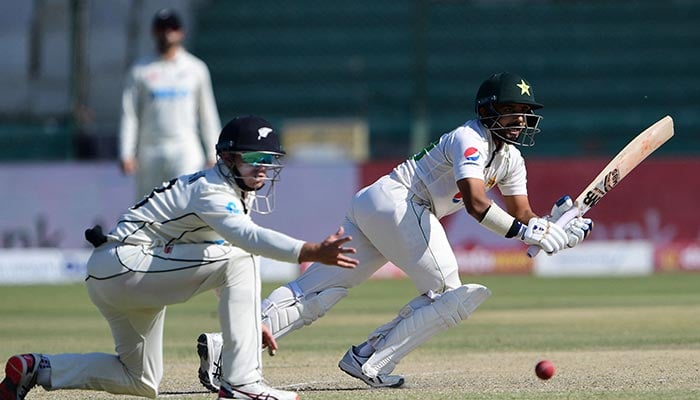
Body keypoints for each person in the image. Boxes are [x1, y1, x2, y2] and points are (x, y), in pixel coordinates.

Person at [195, 72, 594, 392]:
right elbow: (475, 204)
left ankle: (223, 347)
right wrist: (530, 233)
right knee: (453, 296)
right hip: (402, 202)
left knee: (316, 293)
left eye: (525, 112)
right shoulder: (468, 137)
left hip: (376, 203)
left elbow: (522, 214)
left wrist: (556, 230)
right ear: (487, 111)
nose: (520, 120)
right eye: (511, 110)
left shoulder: (511, 159)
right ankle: (370, 358)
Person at [0, 116, 358, 400]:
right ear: (228, 158)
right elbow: (244, 240)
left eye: (269, 160)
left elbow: (218, 261)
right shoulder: (212, 190)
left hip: (122, 274)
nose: (263, 168)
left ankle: (38, 369)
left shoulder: (231, 191)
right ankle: (243, 384)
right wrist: (310, 250)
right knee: (243, 256)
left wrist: (249, 321)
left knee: (140, 379)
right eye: (253, 159)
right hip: (127, 263)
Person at [119, 8, 222, 200]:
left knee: (185, 201)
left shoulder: (195, 68)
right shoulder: (140, 70)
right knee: (148, 205)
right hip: (150, 149)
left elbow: (207, 114)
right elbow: (129, 114)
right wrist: (126, 152)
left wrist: (213, 152)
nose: (167, 33)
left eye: (172, 28)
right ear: (154, 32)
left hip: (185, 147)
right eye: (162, 28)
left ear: (181, 32)